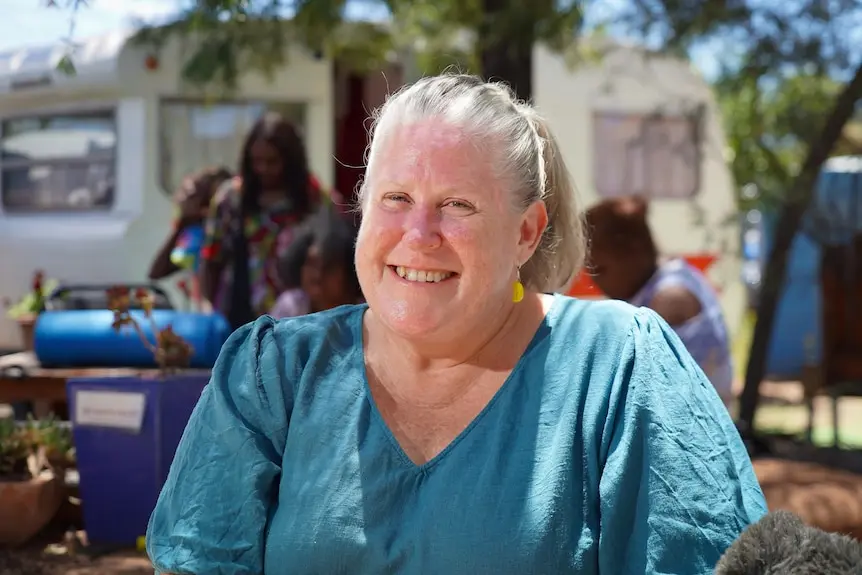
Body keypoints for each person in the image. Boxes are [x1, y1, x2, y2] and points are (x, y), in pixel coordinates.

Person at [147, 74, 766, 574]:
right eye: (395, 198)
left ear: (525, 232)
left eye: (457, 205)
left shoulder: (621, 366)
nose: (417, 237)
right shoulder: (272, 372)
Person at [198, 112, 346, 330]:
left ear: (291, 160)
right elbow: (212, 259)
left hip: (296, 319)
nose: (263, 169)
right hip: (238, 317)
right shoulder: (231, 198)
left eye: (272, 162)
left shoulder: (315, 200)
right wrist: (210, 310)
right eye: (257, 161)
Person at [584, 196, 735, 407]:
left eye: (600, 270)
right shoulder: (671, 274)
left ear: (633, 252)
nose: (595, 282)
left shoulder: (669, 299)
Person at [269, 206, 363, 319]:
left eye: (329, 267)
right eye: (312, 263)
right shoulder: (291, 307)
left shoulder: (365, 314)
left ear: (350, 273)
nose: (317, 274)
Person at [147, 166, 233, 281]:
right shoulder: (193, 232)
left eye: (191, 196)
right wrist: (180, 227)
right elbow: (156, 272)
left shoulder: (212, 234)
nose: (181, 200)